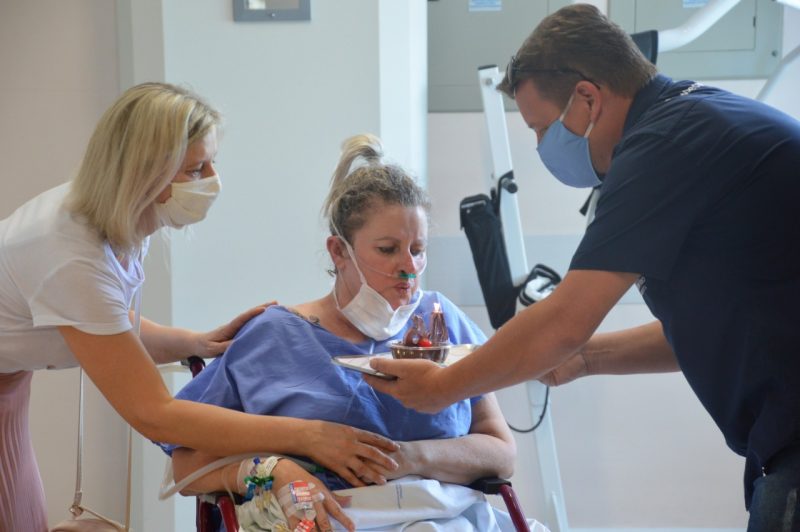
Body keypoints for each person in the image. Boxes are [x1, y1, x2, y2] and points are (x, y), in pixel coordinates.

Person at [365, 4, 800, 531]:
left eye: (542, 128)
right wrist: (585, 359)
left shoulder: (662, 146)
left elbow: (565, 319)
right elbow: (709, 327)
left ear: (588, 97)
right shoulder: (697, 120)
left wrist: (440, 388)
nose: (541, 147)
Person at [0, 83, 398, 532]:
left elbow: (110, 321)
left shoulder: (127, 217)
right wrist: (304, 439)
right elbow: (157, 416)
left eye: (212, 162)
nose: (211, 179)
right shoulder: (70, 251)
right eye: (194, 169)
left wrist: (196, 342)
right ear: (144, 173)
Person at [159, 134, 531, 532]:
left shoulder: (442, 321)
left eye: (418, 250)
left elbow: (500, 453)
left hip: (442, 517)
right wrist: (271, 470)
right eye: (388, 249)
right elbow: (186, 464)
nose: (409, 270)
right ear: (339, 252)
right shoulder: (275, 336)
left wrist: (410, 457)